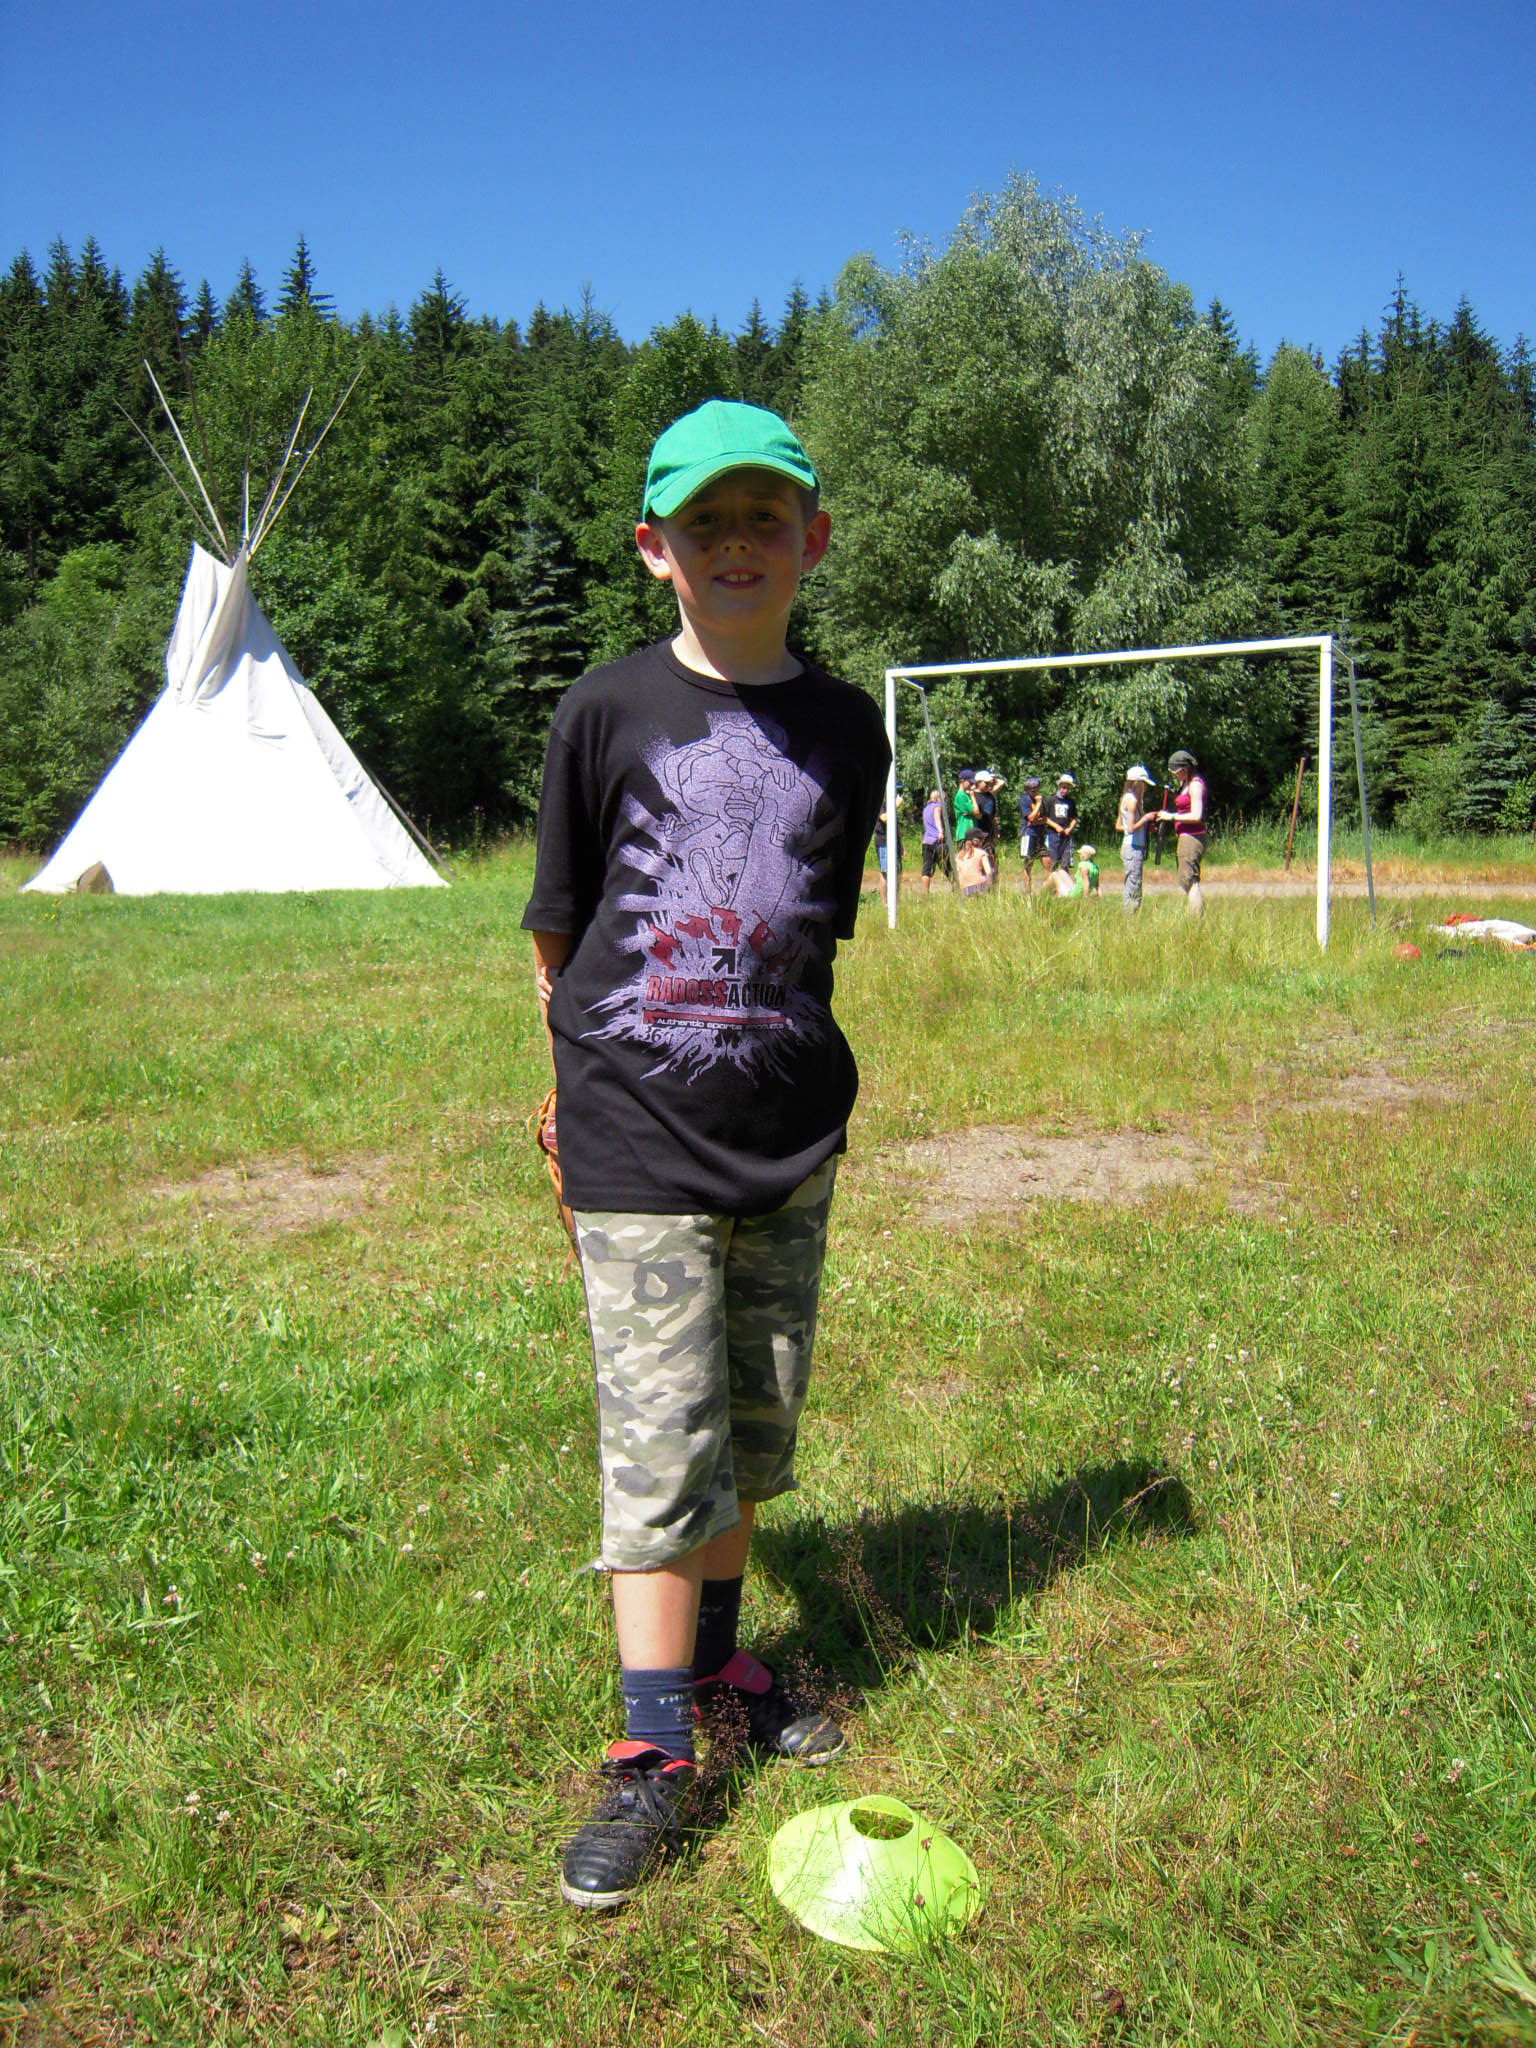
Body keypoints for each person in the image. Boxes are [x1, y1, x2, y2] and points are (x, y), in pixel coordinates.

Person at [522, 400, 889, 1912]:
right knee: (660, 1449)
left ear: (812, 538)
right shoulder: (604, 711)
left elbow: (812, 932)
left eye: (765, 518)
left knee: (746, 1430)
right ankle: (652, 1748)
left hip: (786, 1140)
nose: (737, 543)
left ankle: (725, 1662)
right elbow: (557, 933)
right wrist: (568, 1104)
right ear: (654, 548)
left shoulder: (849, 728)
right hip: (637, 1138)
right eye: (705, 522)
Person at [1165, 749, 1207, 917]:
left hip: (1192, 837)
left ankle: (1196, 918)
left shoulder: (1195, 785)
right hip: (1185, 836)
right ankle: (1193, 915)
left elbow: (1196, 815)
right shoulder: (1185, 784)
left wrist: (1172, 817)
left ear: (1185, 769)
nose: (1174, 775)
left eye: (1176, 771)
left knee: (1190, 880)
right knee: (1186, 879)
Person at [1116, 765, 1157, 912]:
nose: (1145, 787)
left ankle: (1130, 913)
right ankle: (1130, 915)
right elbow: (1131, 828)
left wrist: (1145, 827)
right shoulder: (1132, 801)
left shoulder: (1126, 799)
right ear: (1136, 783)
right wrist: (1145, 819)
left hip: (1131, 847)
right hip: (1133, 848)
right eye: (1143, 784)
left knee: (1132, 883)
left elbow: (1119, 826)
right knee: (1134, 885)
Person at [1043, 772, 1077, 876]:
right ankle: (1052, 883)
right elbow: (1044, 818)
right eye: (1063, 787)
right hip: (1053, 834)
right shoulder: (1051, 800)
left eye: (1067, 788)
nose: (1064, 790)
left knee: (1065, 863)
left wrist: (1070, 828)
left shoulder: (1071, 802)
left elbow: (1074, 818)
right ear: (1059, 786)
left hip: (1066, 835)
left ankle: (1065, 883)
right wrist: (1056, 826)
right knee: (1053, 862)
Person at [1018, 775, 1045, 890]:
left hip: (1040, 834)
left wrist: (1036, 821)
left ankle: (1048, 889)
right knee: (1028, 862)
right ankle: (1027, 891)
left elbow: (1045, 818)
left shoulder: (1042, 800)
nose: (1033, 789)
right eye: (1030, 788)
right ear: (1027, 788)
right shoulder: (1024, 800)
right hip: (1028, 834)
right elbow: (1030, 818)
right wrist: (1038, 804)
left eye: (1035, 787)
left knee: (1047, 860)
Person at [920, 787, 947, 891]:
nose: (945, 801)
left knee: (926, 868)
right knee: (946, 865)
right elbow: (937, 819)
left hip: (926, 840)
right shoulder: (938, 806)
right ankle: (955, 886)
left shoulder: (926, 808)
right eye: (944, 798)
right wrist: (940, 832)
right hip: (937, 839)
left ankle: (926, 892)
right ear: (938, 798)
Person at [875, 793, 903, 881]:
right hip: (884, 842)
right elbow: (884, 818)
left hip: (895, 842)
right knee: (886, 872)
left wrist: (901, 845)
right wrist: (896, 805)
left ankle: (895, 890)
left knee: (898, 870)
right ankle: (886, 891)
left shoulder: (890, 805)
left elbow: (895, 827)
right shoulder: (880, 803)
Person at [953, 770, 978, 846]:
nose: (971, 785)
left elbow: (978, 813)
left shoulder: (966, 795)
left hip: (971, 834)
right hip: (964, 834)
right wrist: (972, 796)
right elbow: (976, 811)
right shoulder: (961, 795)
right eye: (970, 782)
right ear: (962, 780)